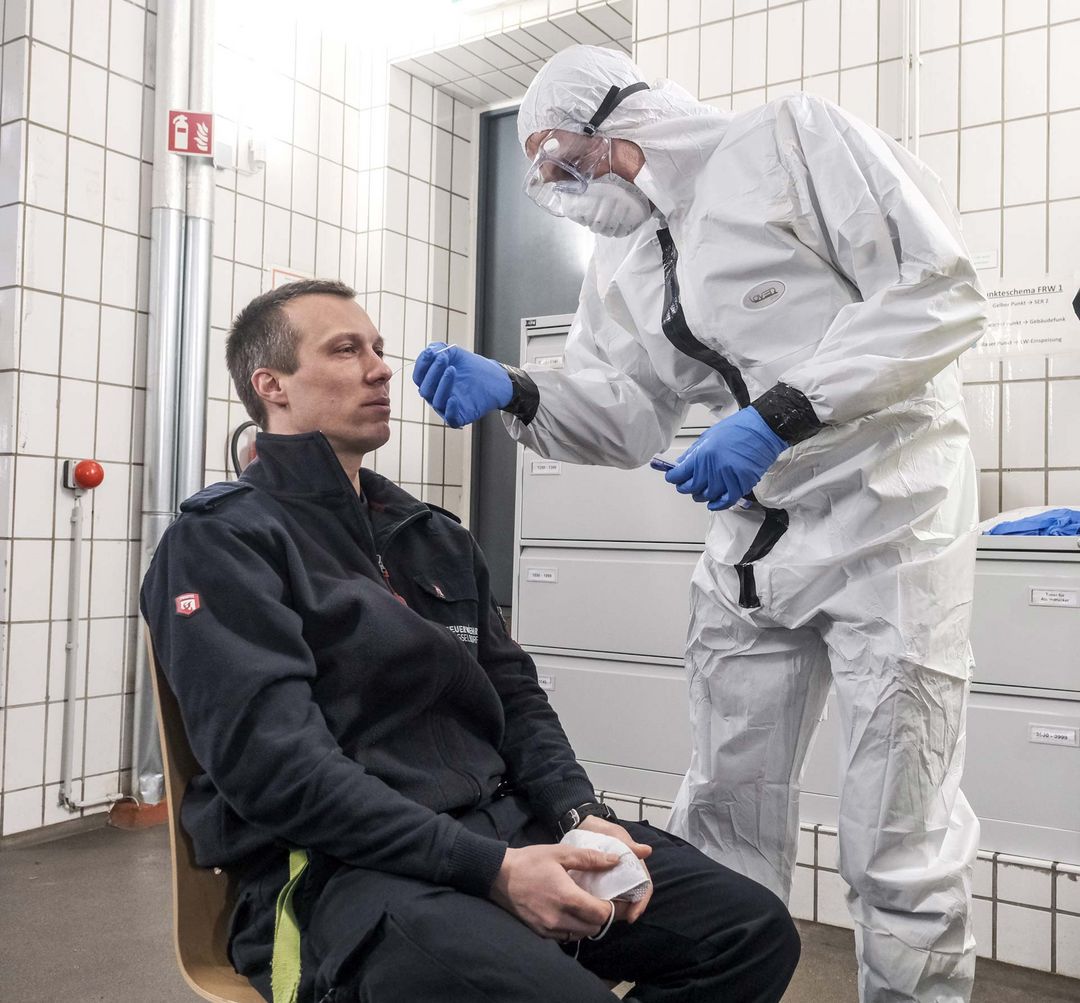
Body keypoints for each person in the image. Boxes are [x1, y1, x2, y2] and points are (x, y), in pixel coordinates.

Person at [413, 45, 988, 1003]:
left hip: (890, 514)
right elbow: (624, 411)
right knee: (722, 816)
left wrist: (778, 415)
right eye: (545, 178)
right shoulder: (625, 257)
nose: (563, 192)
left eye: (565, 163)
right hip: (757, 541)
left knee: (897, 832)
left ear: (622, 121)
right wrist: (518, 388)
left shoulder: (791, 140)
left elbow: (938, 290)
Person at [140, 279, 799, 1003]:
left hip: (501, 831)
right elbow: (278, 770)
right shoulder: (224, 541)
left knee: (752, 931)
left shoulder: (430, 535)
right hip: (347, 874)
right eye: (346, 349)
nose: (382, 367)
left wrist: (582, 815)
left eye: (380, 349)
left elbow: (517, 697)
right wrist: (491, 870)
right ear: (273, 387)